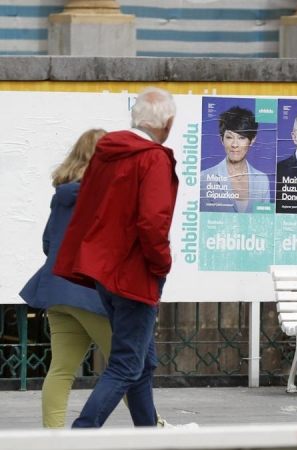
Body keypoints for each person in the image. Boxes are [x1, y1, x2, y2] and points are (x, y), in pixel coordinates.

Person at [19, 129, 181, 429]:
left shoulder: (62, 196)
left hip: (56, 292)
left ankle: (52, 440)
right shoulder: (106, 195)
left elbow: (47, 243)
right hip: (92, 294)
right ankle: (152, 428)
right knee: (127, 367)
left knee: (61, 369)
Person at [53, 87, 179, 428]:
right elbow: (152, 222)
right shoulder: (153, 157)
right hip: (134, 273)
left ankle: (147, 433)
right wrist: (162, 265)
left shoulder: (105, 154)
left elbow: (89, 212)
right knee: (126, 363)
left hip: (104, 271)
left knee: (142, 362)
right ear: (167, 123)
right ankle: (83, 433)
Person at [200, 106, 271, 213]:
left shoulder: (262, 180)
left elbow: (265, 222)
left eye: (241, 138)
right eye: (229, 137)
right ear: (222, 139)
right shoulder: (204, 177)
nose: (234, 144)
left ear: (252, 140)